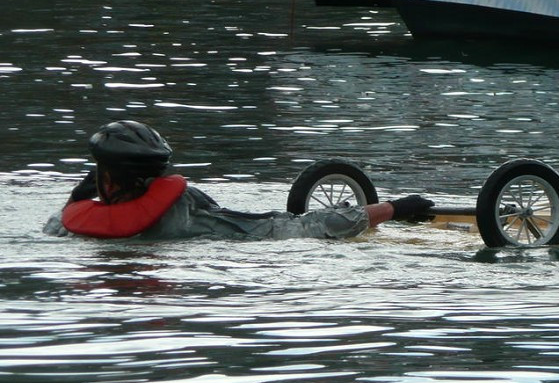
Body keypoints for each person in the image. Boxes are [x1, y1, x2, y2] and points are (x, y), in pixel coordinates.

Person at [43, 120, 434, 241]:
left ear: (103, 180)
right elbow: (300, 227)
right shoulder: (189, 217)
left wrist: (79, 197)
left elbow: (73, 215)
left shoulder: (65, 227)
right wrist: (395, 209)